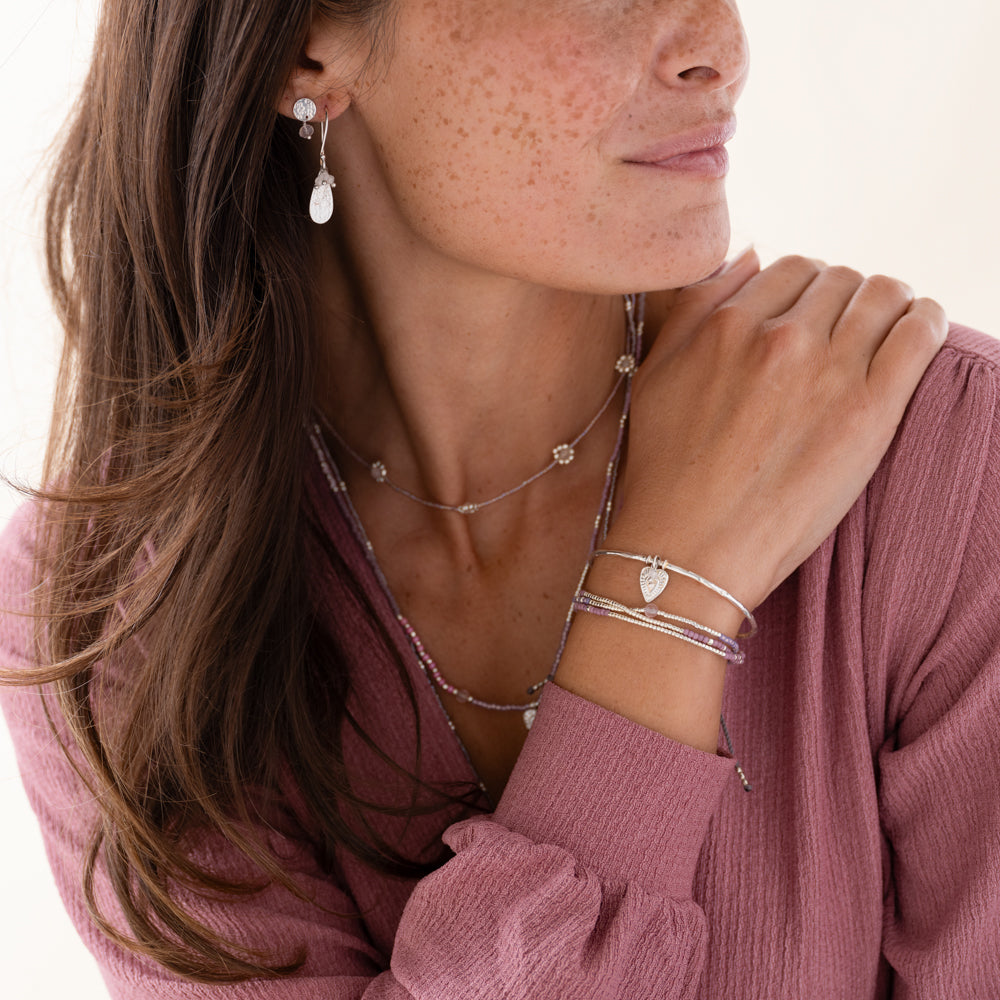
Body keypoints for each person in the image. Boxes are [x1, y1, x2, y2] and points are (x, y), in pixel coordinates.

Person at [2, 0, 999, 996]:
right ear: (306, 41)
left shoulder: (944, 475)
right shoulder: (113, 612)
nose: (721, 51)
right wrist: (668, 600)